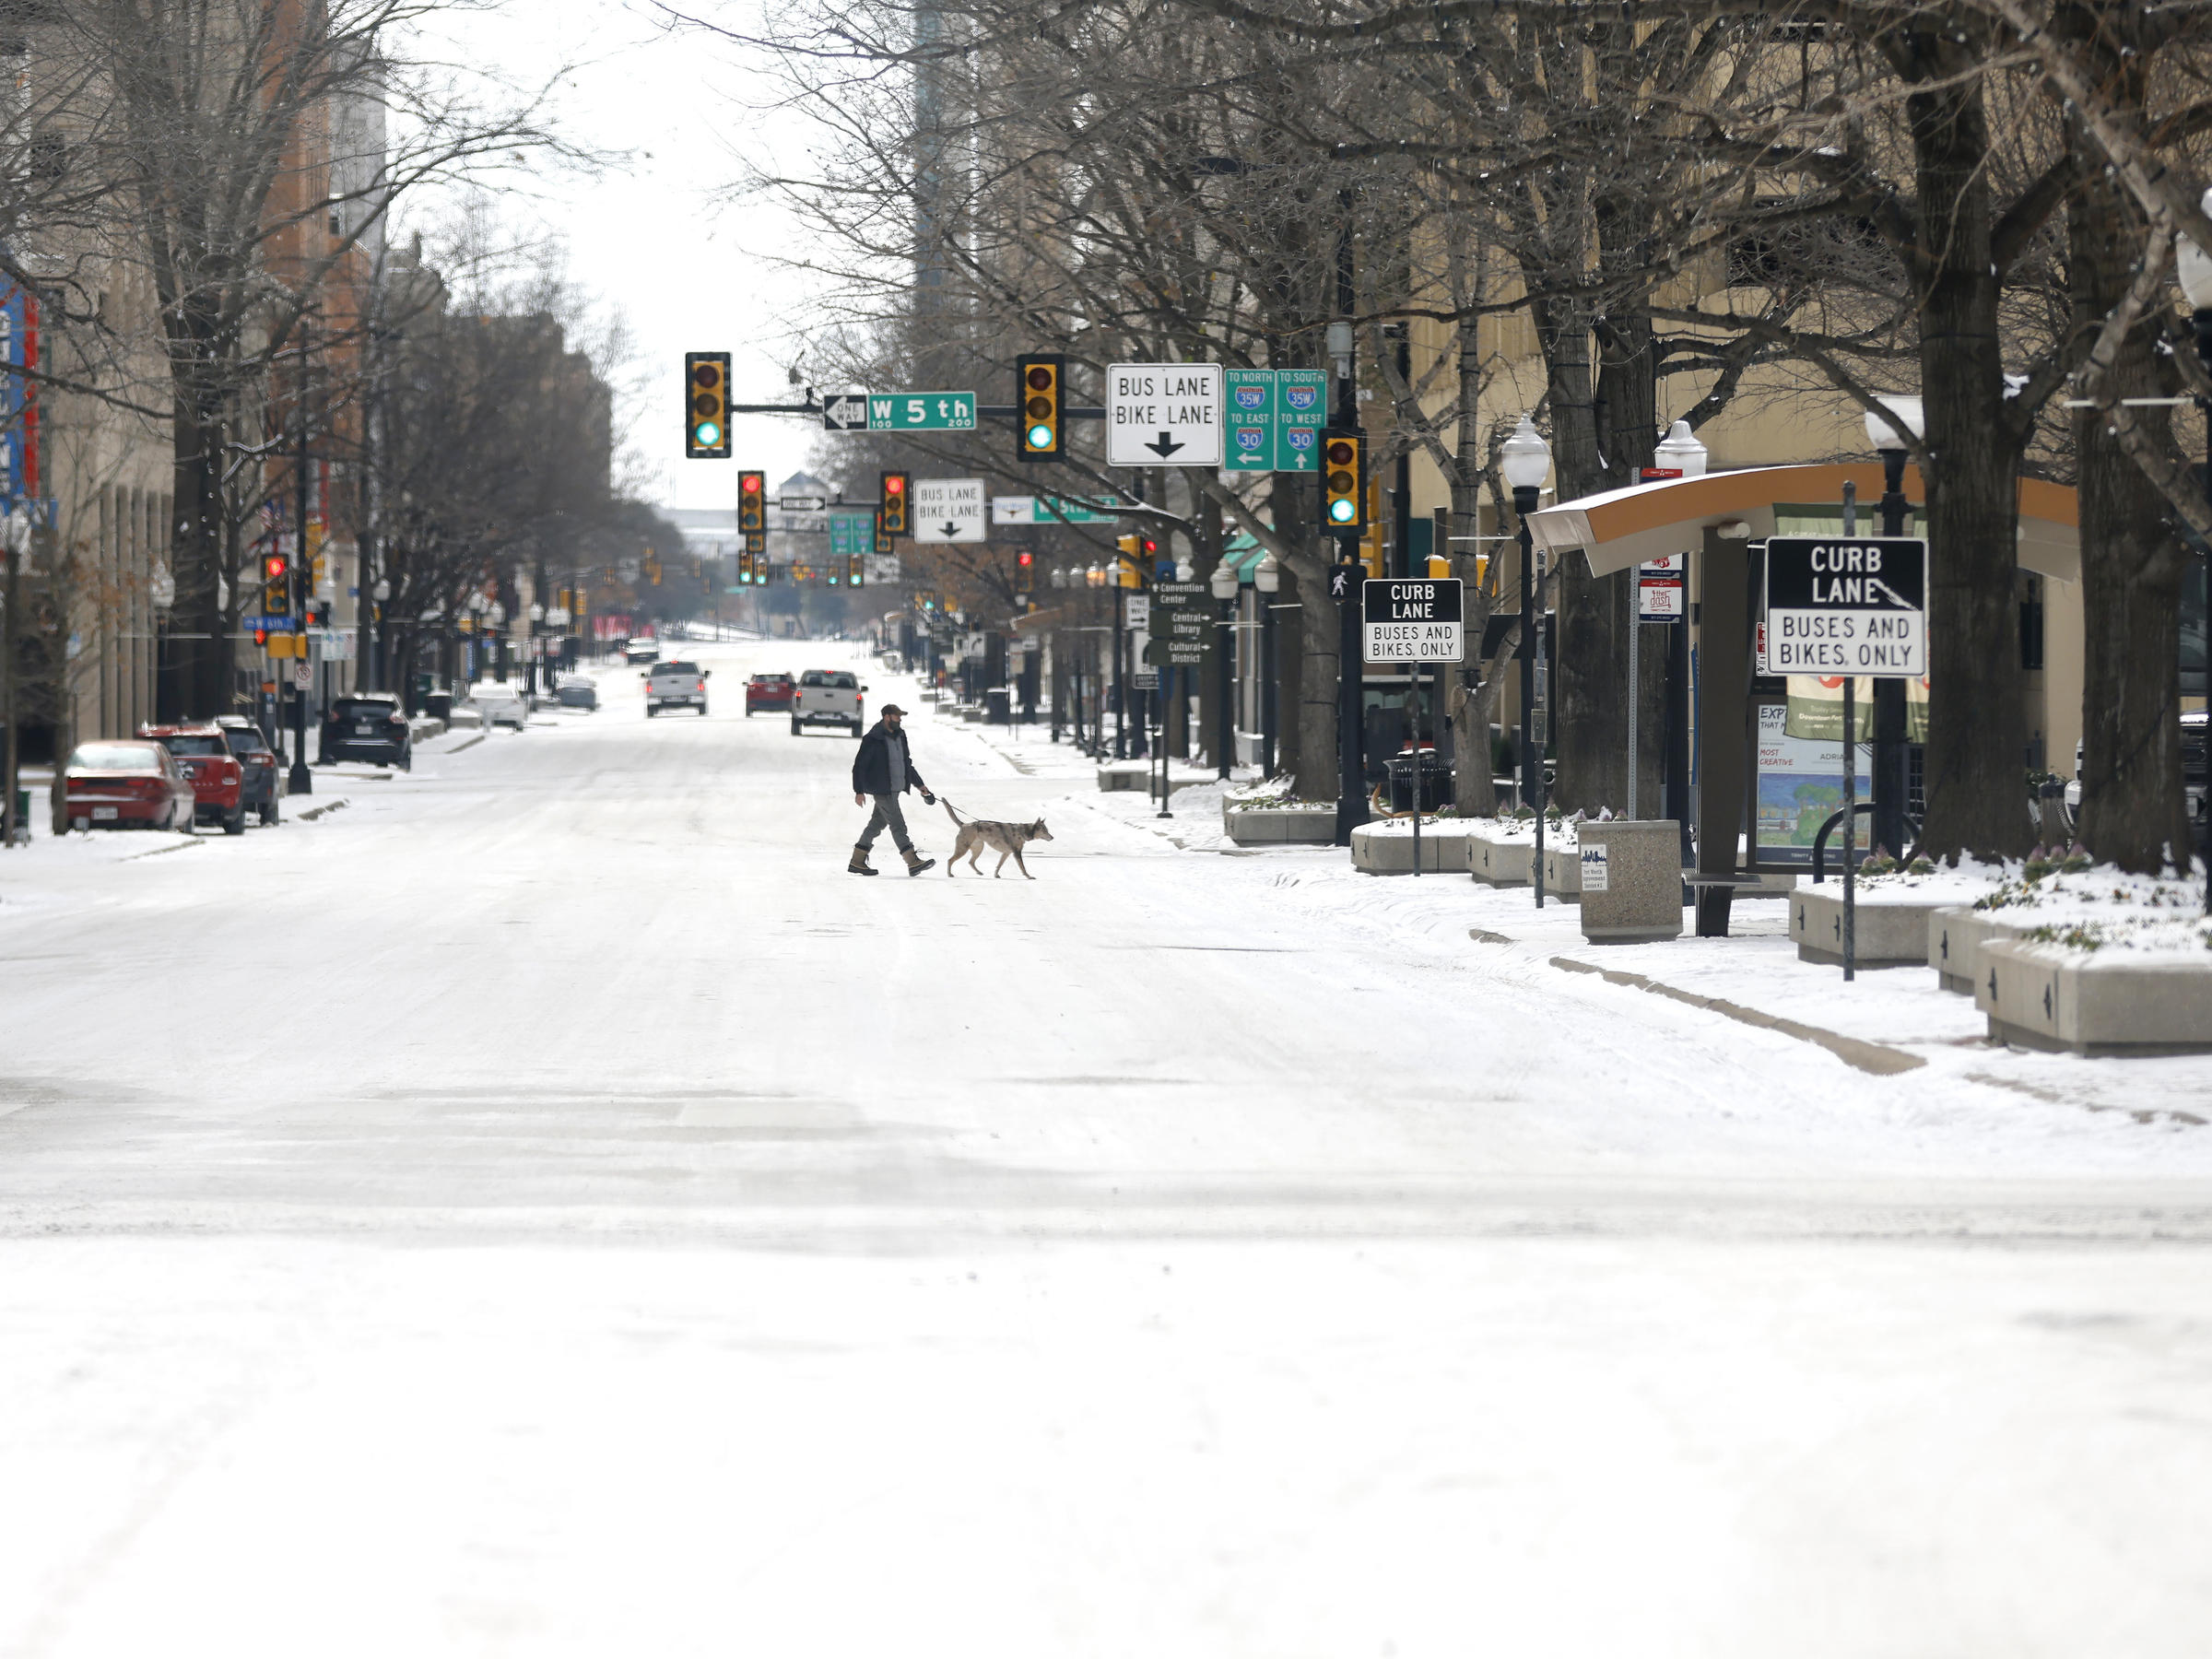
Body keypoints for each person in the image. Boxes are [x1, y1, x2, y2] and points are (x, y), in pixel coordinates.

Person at [849, 704, 936, 876]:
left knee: (876, 824)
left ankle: (857, 861)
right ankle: (912, 861)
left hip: (894, 789)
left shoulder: (900, 736)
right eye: (897, 716)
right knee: (898, 825)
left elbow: (906, 764)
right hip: (881, 789)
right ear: (887, 717)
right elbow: (859, 766)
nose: (900, 719)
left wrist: (920, 785)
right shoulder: (873, 738)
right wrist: (859, 790)